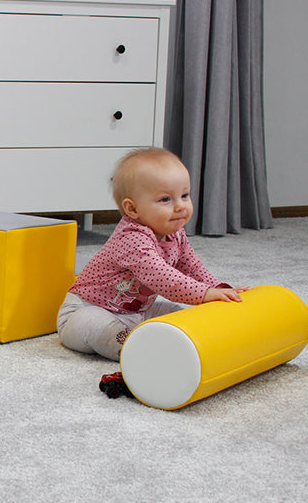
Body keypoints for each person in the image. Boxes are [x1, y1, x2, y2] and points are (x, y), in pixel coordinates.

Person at [57, 147, 251, 361]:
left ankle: (181, 343)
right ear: (133, 209)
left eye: (184, 195)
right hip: (87, 309)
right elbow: (162, 278)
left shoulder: (175, 233)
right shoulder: (131, 238)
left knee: (179, 314)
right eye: (165, 200)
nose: (180, 206)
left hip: (138, 312)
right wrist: (202, 294)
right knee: (97, 325)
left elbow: (192, 265)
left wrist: (217, 289)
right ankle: (140, 355)